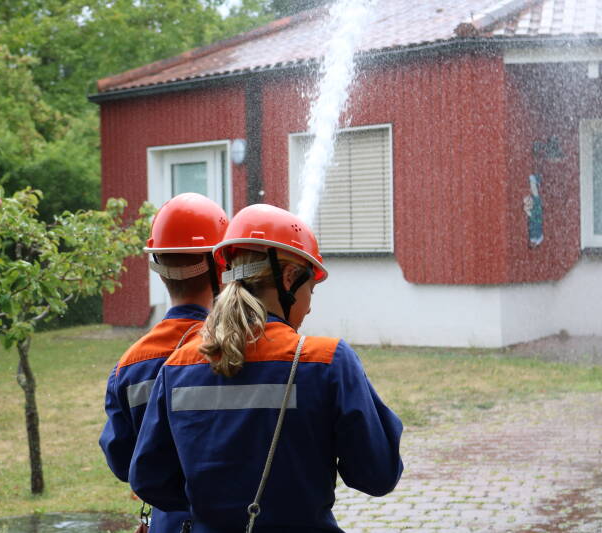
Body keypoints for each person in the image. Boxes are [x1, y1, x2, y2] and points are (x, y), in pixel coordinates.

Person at [129, 203, 404, 532]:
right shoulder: (327, 361)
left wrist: (215, 504)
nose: (309, 307)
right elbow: (378, 474)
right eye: (310, 289)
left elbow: (149, 479)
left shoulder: (178, 366)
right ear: (289, 278)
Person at [99, 192, 229, 533]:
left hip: (170, 522)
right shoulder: (236, 350)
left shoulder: (130, 365)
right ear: (222, 266)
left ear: (159, 269)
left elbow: (122, 460)